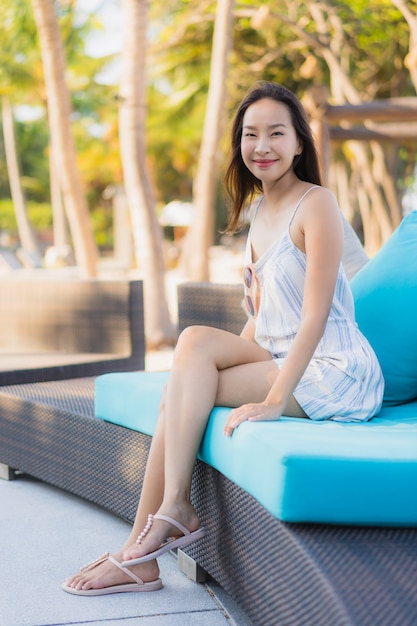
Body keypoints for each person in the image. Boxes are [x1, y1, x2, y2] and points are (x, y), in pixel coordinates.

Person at [63, 81, 384, 595]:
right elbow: (262, 320)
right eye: (250, 134)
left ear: (299, 142)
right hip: (283, 355)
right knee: (190, 353)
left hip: (336, 369)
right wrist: (207, 365)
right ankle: (157, 530)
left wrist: (275, 399)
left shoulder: (316, 203)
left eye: (276, 133)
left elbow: (316, 317)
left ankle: (149, 538)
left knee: (187, 382)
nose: (262, 146)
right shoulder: (260, 212)